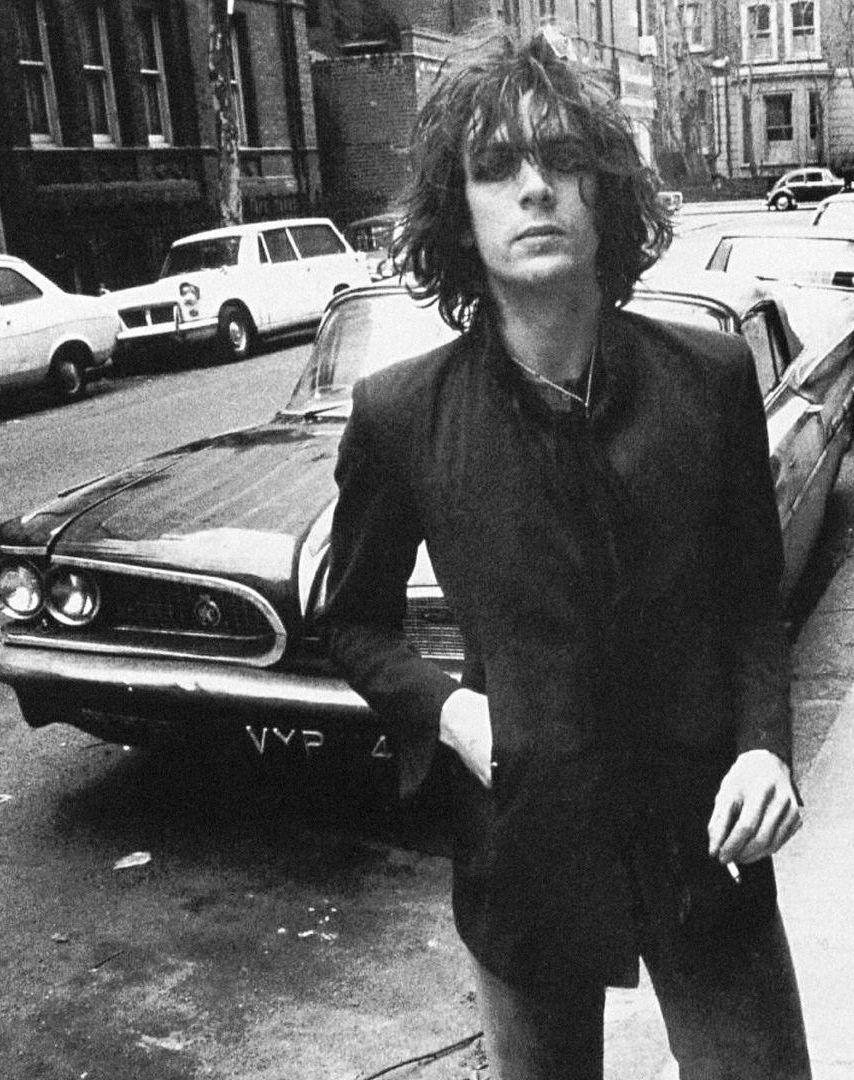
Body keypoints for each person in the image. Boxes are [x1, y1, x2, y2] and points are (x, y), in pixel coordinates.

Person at [320, 25, 811, 1080]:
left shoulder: (710, 380)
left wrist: (766, 747)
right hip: (528, 846)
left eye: (562, 158)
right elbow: (350, 620)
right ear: (459, 213)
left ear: (606, 193)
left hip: (704, 839)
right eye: (497, 166)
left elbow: (750, 603)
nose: (534, 187)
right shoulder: (403, 414)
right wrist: (451, 716)